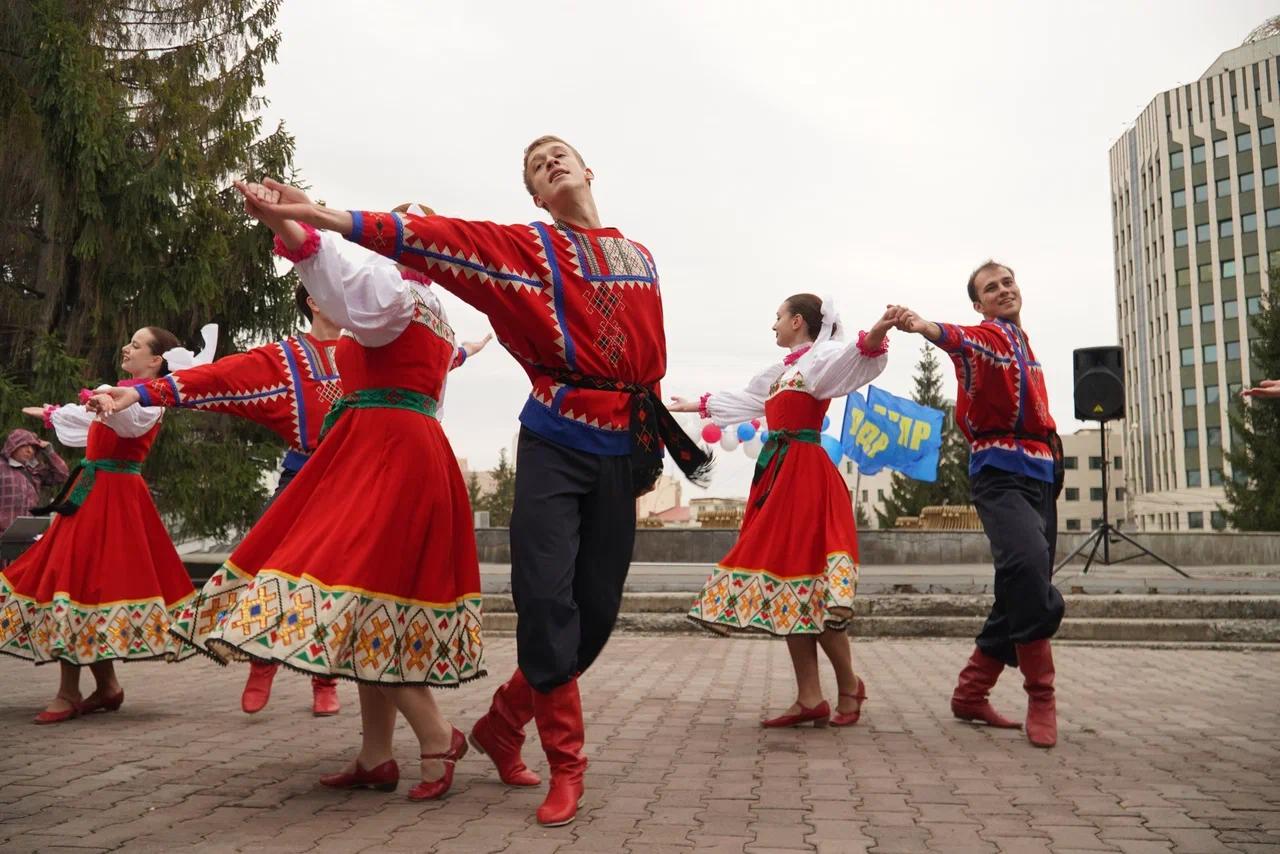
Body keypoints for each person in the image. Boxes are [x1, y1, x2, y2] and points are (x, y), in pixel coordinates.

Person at [236, 133, 711, 826]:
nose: (551, 162)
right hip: (553, 438)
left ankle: (501, 723)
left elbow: (649, 360)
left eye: (560, 154)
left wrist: (647, 449)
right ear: (536, 197)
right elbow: (436, 239)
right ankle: (567, 764)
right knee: (546, 601)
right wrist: (322, 216)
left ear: (587, 171)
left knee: (597, 616)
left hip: (618, 444)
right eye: (536, 166)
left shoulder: (640, 257)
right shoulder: (527, 250)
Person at [113, 198, 486, 801]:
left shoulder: (392, 295)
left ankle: (439, 735)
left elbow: (339, 272)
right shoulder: (429, 308)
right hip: (405, 449)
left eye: (391, 232)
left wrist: (292, 227)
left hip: (383, 454)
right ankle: (375, 755)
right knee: (374, 603)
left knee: (358, 599)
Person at [92, 278, 491, 719]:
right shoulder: (285, 358)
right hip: (305, 475)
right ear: (316, 301)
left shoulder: (371, 346)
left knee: (345, 582)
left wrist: (468, 350)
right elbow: (220, 378)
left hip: (361, 480)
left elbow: (428, 360)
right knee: (274, 566)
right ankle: (261, 664)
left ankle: (326, 679)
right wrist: (145, 391)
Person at [672, 295, 891, 728]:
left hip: (806, 476)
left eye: (777, 317)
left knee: (813, 583)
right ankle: (810, 697)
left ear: (796, 321)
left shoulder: (821, 360)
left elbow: (857, 358)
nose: (772, 325)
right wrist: (697, 405)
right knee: (790, 582)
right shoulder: (783, 372)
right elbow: (748, 399)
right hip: (778, 473)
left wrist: (881, 328)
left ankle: (848, 684)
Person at [889, 260, 1064, 748]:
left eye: (1008, 282)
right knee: (1029, 572)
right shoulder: (988, 337)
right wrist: (926, 327)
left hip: (1041, 474)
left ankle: (971, 693)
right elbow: (961, 340)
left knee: (1021, 587)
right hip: (999, 475)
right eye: (992, 287)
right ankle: (1042, 696)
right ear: (978, 303)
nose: (1004, 290)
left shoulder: (1026, 344)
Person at [0, 327, 197, 723]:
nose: (127, 346)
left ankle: (68, 692)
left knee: (75, 580)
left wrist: (107, 399)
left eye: (138, 345)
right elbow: (91, 422)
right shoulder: (122, 394)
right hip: (92, 493)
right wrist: (60, 413)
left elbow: (128, 421)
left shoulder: (150, 401)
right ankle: (106, 686)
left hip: (114, 498)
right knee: (79, 582)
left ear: (156, 361)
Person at [1, 429, 69, 537]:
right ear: (13, 445)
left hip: (27, 535)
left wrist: (49, 451)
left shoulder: (34, 471)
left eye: (33, 447)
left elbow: (62, 475)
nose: (30, 451)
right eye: (24, 445)